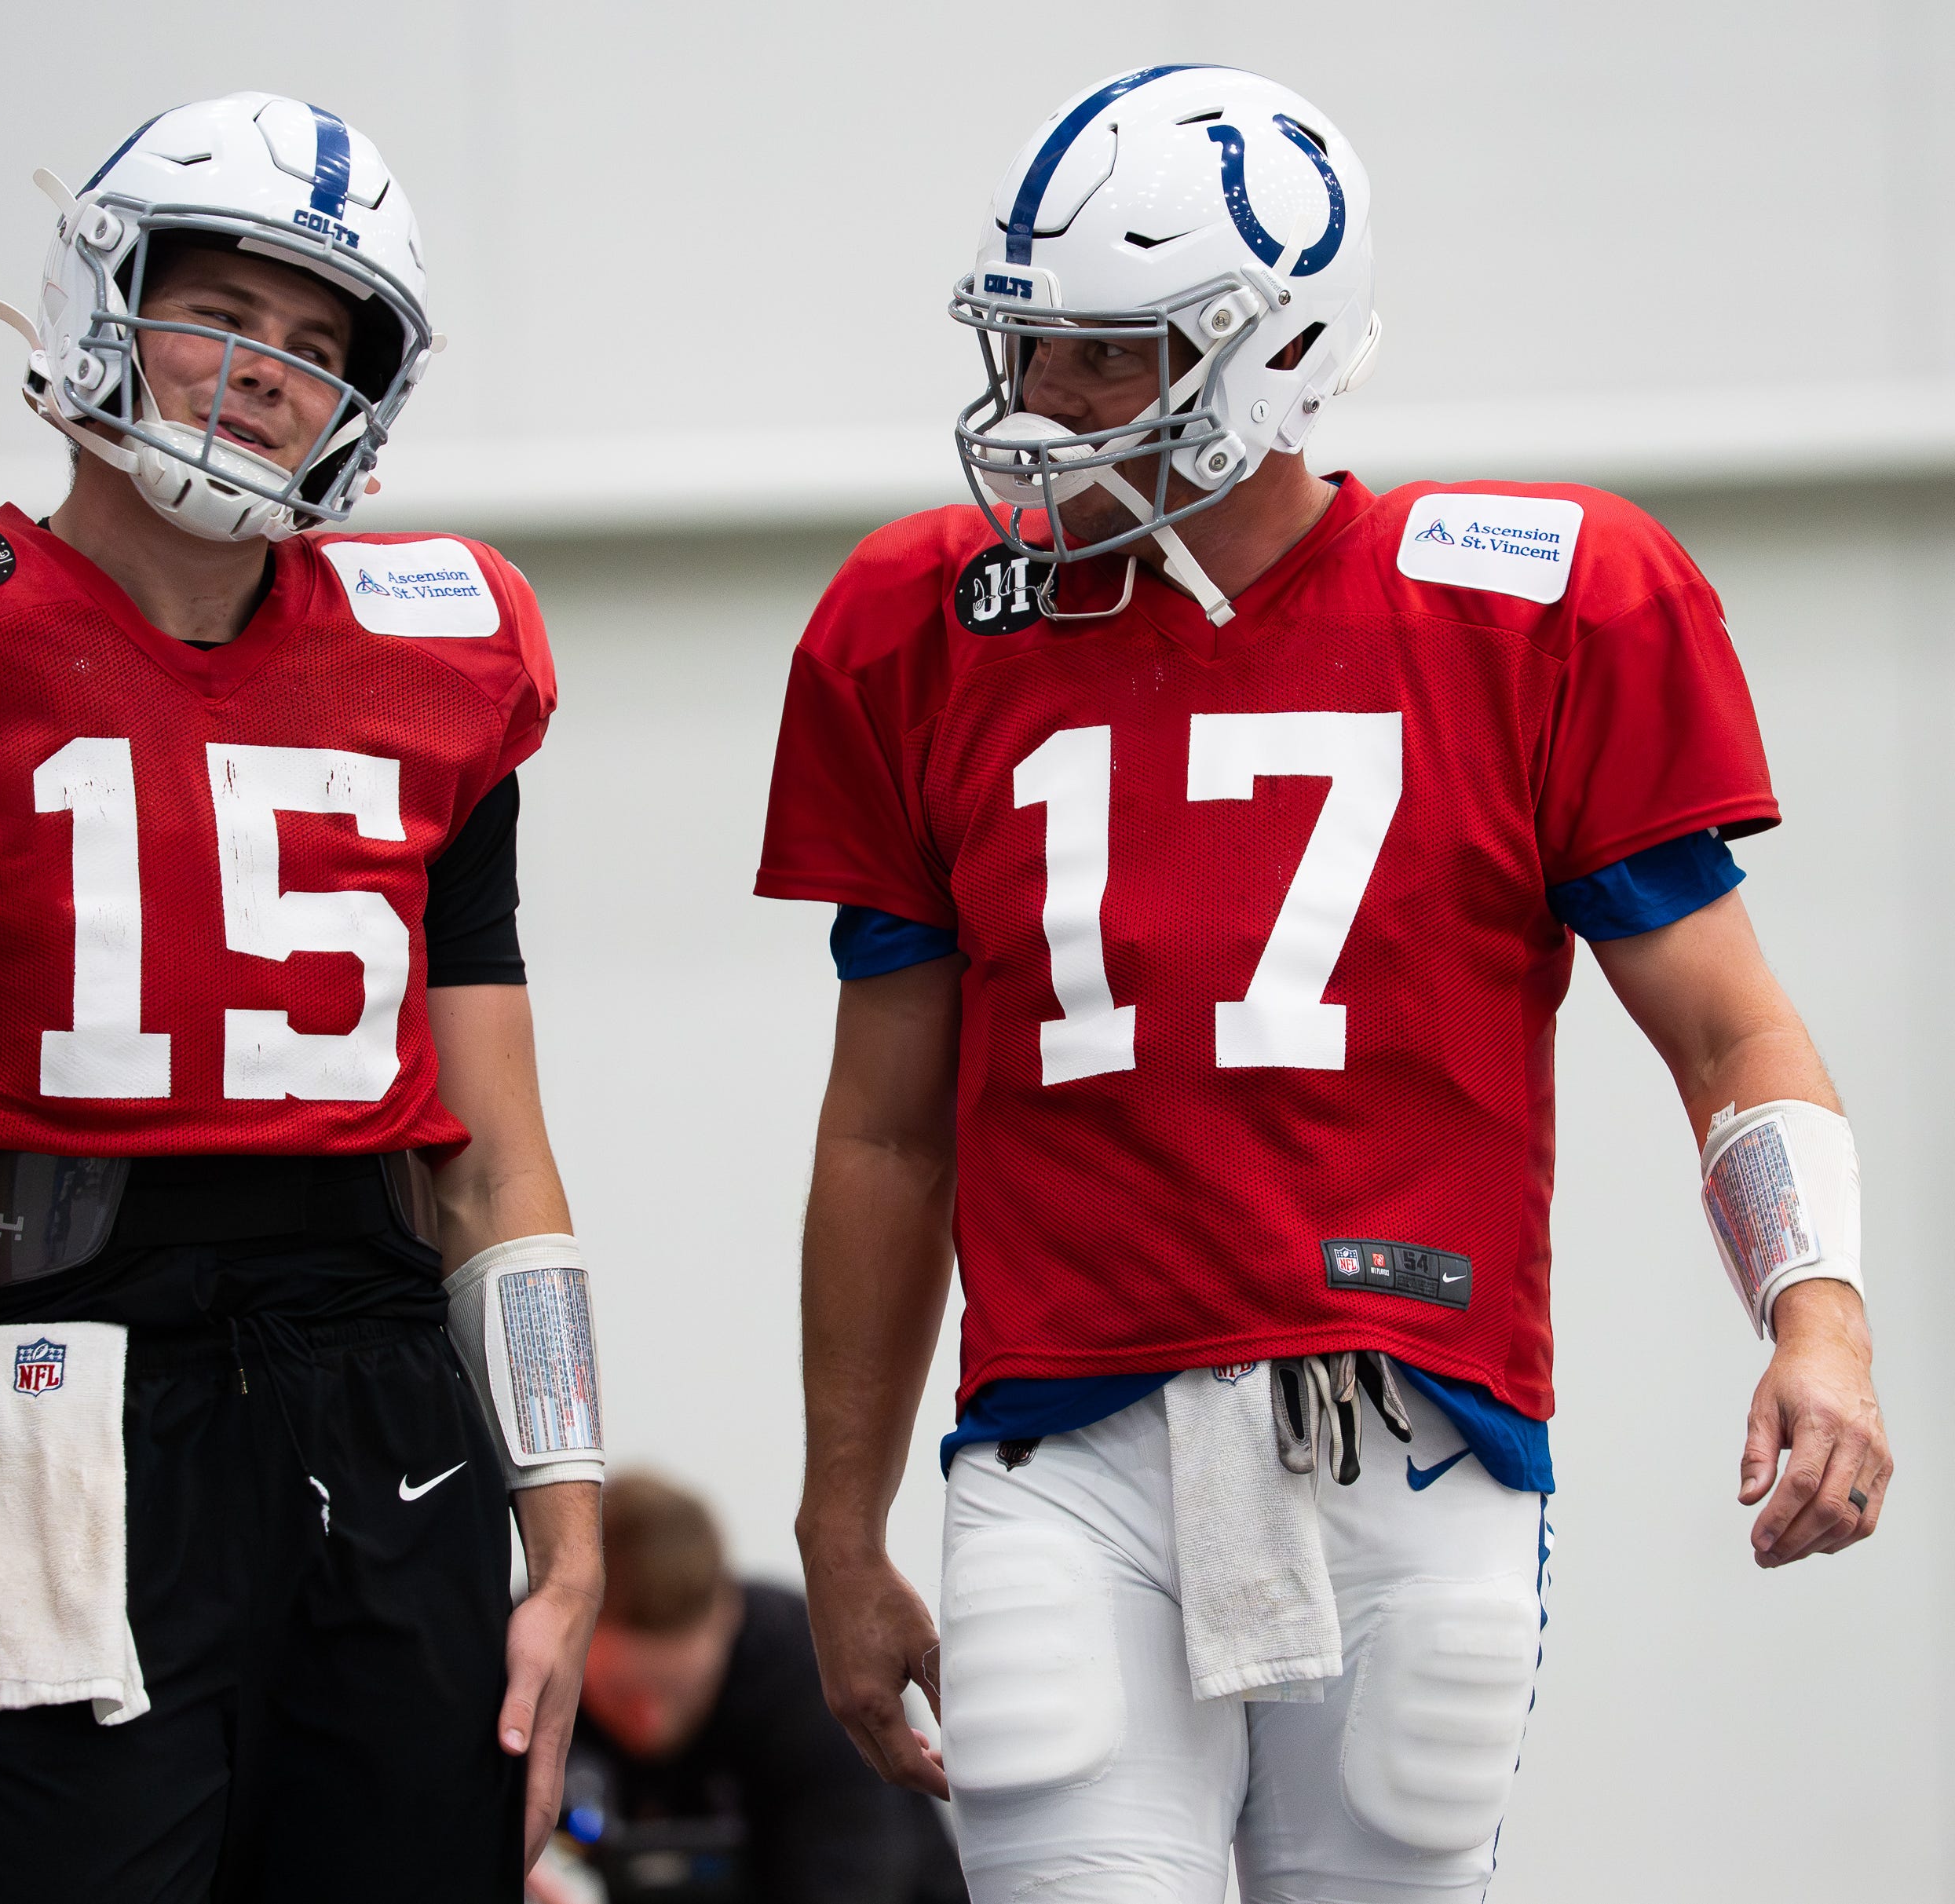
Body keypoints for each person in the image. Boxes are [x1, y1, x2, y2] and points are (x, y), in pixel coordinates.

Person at [755, 65, 1888, 1903]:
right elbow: (884, 1131)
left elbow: (1725, 1026)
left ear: (1277, 352)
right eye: (1034, 347)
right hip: (1064, 1441)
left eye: (1111, 359)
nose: (1049, 406)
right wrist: (836, 1517)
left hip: (1416, 1437)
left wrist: (1814, 1317)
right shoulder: (917, 623)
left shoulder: (1534, 600)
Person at [0, 93, 605, 1899]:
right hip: (49, 1377)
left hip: (381, 1395)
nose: (264, 369)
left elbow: (495, 1161)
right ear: (102, 300)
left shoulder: (447, 642)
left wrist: (564, 1539)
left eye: (314, 343)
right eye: (224, 313)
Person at [557, 1475, 967, 1904]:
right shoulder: (525, 1671)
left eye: (676, 1693)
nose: (647, 1722)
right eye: (618, 1694)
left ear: (727, 1617)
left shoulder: (816, 1685)